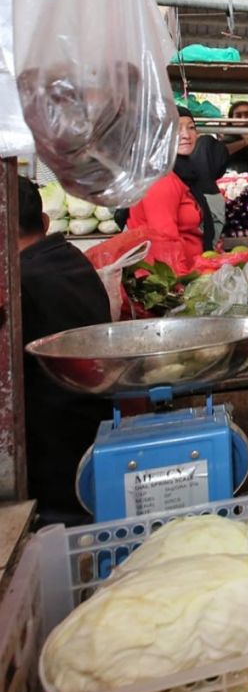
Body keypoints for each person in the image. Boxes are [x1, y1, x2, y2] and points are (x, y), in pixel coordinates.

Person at [17, 177, 112, 527]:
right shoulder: (70, 257)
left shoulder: (20, 285)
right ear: (44, 223)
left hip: (54, 466)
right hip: (89, 433)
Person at [127, 107, 209, 272]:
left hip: (190, 269)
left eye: (191, 127)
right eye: (176, 129)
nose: (186, 135)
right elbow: (164, 242)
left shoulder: (184, 172)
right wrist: (178, 288)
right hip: (168, 277)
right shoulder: (161, 178)